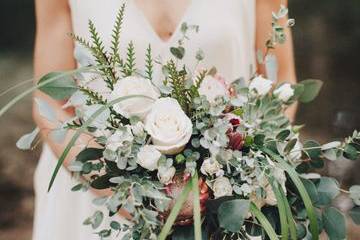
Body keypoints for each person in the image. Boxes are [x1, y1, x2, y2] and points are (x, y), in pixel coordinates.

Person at [33, 0, 297, 239]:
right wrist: (120, 192)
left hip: (224, 204)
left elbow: (281, 86)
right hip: (97, 199)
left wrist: (243, 179)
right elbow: (49, 100)